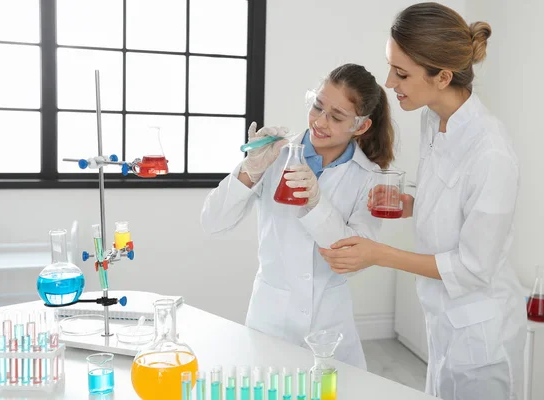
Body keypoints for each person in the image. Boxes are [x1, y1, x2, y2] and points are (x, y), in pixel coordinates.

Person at [319, 3, 527, 399]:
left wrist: (378, 253)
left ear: (443, 76)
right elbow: (450, 196)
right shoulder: (435, 117)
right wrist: (408, 201)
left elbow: (473, 268)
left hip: (482, 336)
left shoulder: (491, 153)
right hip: (443, 321)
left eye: (401, 73)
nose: (389, 82)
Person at [200, 63, 395, 369]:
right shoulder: (274, 154)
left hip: (331, 330)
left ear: (361, 126)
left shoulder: (370, 176)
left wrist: (317, 204)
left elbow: (353, 263)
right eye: (317, 106)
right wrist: (250, 171)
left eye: (336, 116)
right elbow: (213, 221)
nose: (320, 121)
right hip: (270, 323)